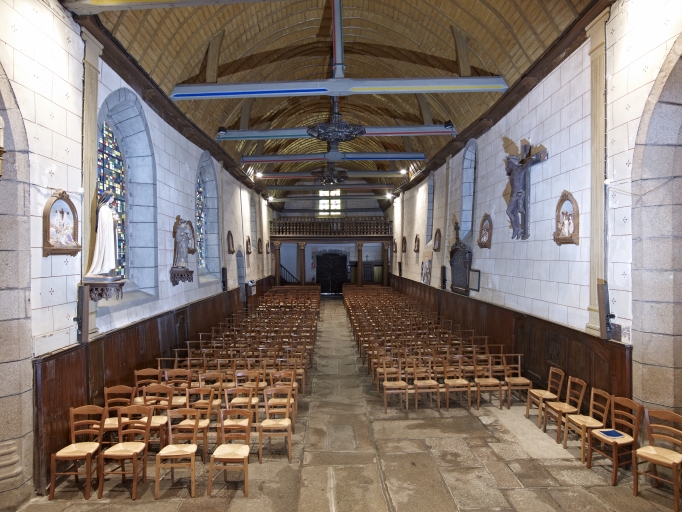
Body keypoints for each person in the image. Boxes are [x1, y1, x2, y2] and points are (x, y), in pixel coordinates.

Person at [86, 191, 119, 277]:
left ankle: (109, 269)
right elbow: (104, 223)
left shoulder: (108, 208)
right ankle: (104, 268)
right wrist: (114, 219)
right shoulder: (104, 208)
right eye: (112, 197)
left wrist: (114, 217)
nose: (113, 199)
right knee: (105, 251)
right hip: (105, 235)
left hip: (109, 234)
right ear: (107, 197)